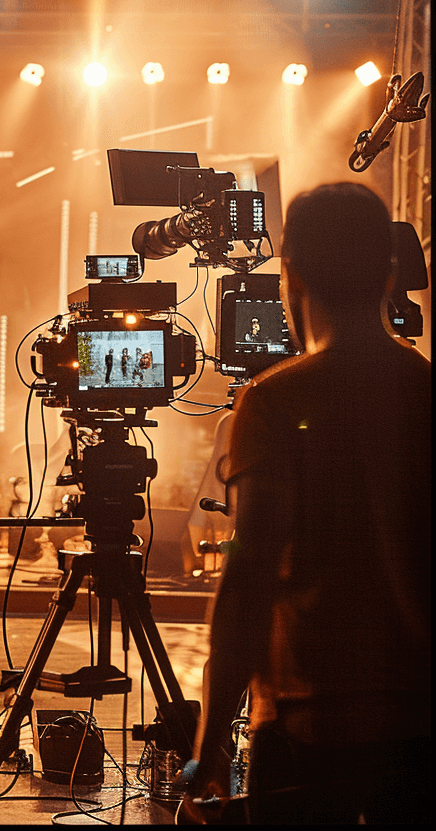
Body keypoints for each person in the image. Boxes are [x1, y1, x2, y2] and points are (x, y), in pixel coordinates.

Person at [185, 183, 430, 824]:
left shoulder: (275, 401)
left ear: (291, 272)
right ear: (388, 273)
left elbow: (247, 580)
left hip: (308, 719)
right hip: (419, 722)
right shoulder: (425, 389)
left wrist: (210, 747)